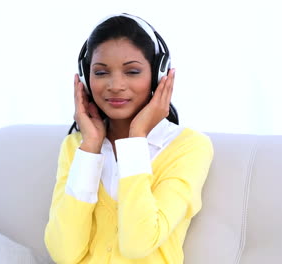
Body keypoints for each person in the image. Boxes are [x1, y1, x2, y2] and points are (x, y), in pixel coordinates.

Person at [44, 13, 213, 264]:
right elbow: (64, 254)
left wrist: (136, 141)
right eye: (101, 73)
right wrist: (90, 148)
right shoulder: (75, 147)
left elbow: (138, 244)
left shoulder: (189, 147)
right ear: (86, 79)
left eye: (132, 71)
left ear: (159, 75)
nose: (115, 85)